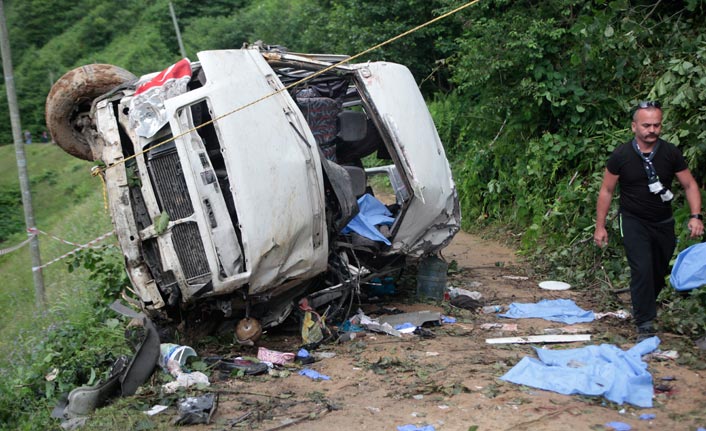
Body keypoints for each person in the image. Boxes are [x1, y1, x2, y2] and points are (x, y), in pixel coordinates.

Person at [594, 100, 704, 340]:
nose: (652, 130)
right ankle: (644, 321)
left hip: (663, 221)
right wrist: (600, 226)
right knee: (641, 268)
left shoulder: (670, 153)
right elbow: (606, 191)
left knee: (658, 269)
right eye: (646, 125)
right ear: (634, 127)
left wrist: (696, 216)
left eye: (656, 125)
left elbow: (689, 184)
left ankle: (643, 303)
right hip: (633, 219)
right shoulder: (621, 155)